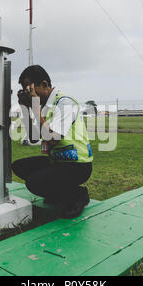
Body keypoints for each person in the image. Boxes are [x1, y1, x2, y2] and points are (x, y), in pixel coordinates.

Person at [12, 65, 93, 219]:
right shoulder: (44, 106)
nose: (29, 94)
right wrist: (24, 107)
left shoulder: (65, 103)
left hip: (78, 165)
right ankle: (59, 192)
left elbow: (53, 140)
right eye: (25, 90)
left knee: (34, 183)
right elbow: (34, 137)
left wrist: (35, 106)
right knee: (19, 167)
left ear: (44, 84)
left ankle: (78, 195)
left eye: (30, 89)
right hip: (58, 161)